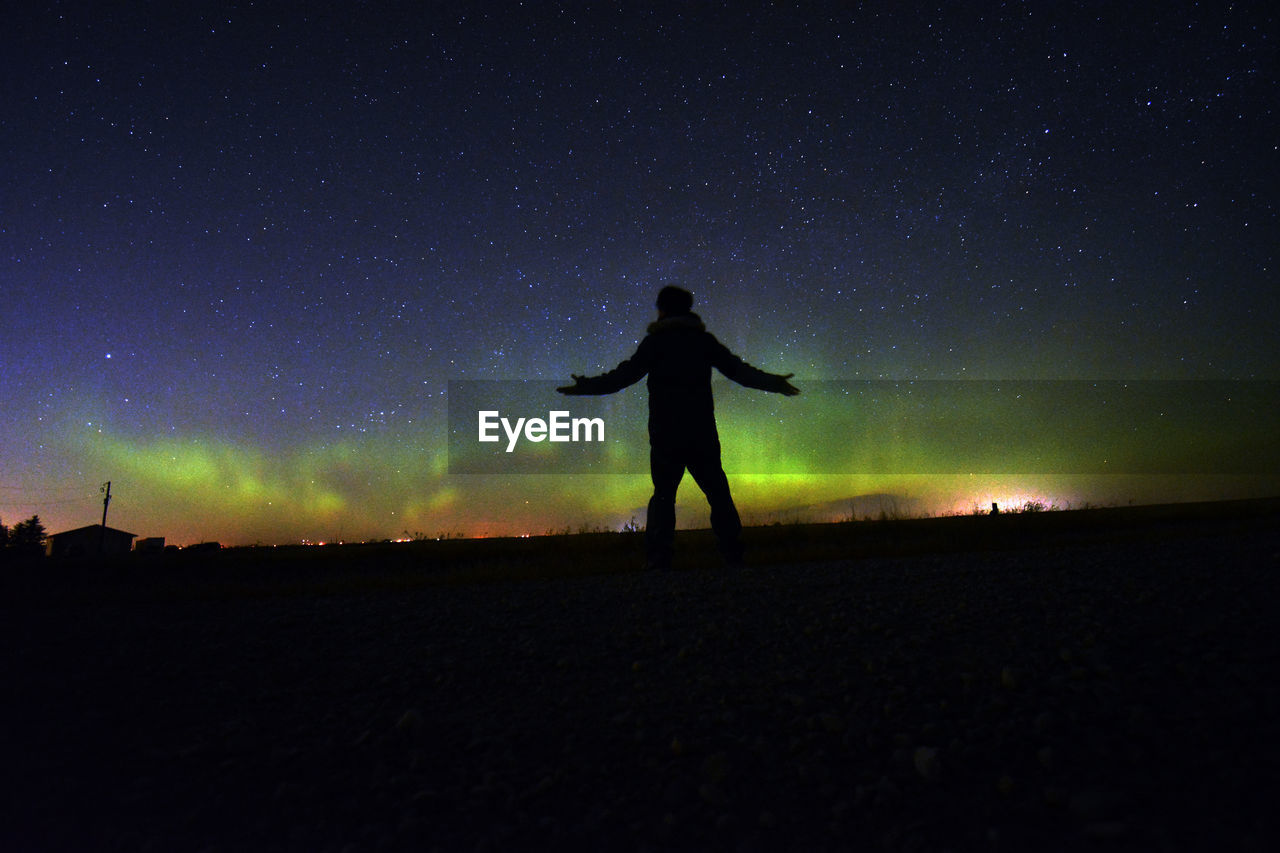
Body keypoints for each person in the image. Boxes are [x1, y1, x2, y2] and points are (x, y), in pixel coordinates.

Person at [557, 285, 799, 569]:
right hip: (701, 432)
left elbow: (623, 376)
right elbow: (738, 371)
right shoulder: (702, 341)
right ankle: (734, 555)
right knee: (718, 493)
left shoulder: (656, 343)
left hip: (666, 433)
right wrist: (774, 383)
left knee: (663, 497)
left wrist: (586, 387)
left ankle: (660, 561)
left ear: (663, 309)